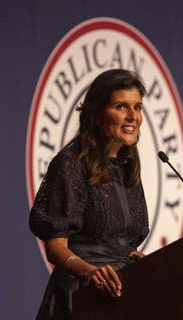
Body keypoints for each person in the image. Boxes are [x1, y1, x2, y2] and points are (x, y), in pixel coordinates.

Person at [29, 69, 150, 319]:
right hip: (80, 297)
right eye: (121, 106)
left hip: (121, 296)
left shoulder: (127, 168)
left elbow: (120, 241)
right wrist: (90, 272)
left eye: (137, 107)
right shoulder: (70, 164)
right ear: (96, 115)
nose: (132, 117)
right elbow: (55, 246)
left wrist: (135, 259)